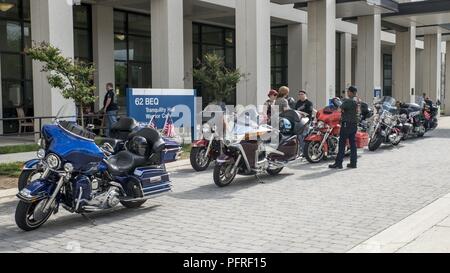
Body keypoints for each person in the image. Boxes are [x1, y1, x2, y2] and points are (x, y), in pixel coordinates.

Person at [329, 86, 359, 170]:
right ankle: (353, 163)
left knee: (342, 143)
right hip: (354, 124)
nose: (347, 93)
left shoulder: (348, 101)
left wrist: (339, 106)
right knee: (352, 144)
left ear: (351, 92)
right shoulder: (356, 101)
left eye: (348, 91)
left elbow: (339, 109)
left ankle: (338, 163)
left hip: (347, 124)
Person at [294, 90, 314, 155]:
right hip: (299, 122)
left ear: (305, 95)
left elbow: (308, 113)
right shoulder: (298, 102)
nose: (300, 95)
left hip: (307, 122)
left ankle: (305, 152)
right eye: (299, 94)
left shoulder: (309, 103)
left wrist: (300, 113)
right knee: (299, 136)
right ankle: (302, 151)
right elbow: (295, 111)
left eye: (302, 94)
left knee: (303, 136)